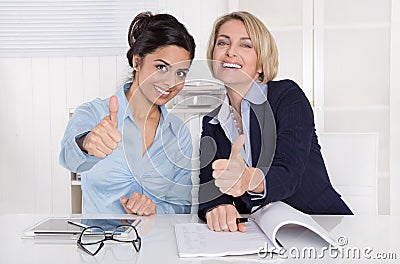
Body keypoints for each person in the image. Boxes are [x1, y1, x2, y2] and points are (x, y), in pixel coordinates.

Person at [198, 11, 352, 232]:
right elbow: (208, 189)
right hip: (261, 232)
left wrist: (248, 179)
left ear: (261, 64)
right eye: (223, 43)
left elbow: (289, 174)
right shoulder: (212, 122)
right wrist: (218, 206)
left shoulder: (287, 97)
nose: (230, 51)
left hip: (324, 225)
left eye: (245, 45)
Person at [60, 12, 196, 215]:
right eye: (161, 67)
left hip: (157, 242)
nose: (171, 82)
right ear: (137, 61)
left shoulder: (178, 133)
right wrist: (87, 143)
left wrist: (154, 210)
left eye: (180, 73)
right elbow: (68, 159)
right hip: (101, 243)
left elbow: (182, 205)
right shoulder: (92, 114)